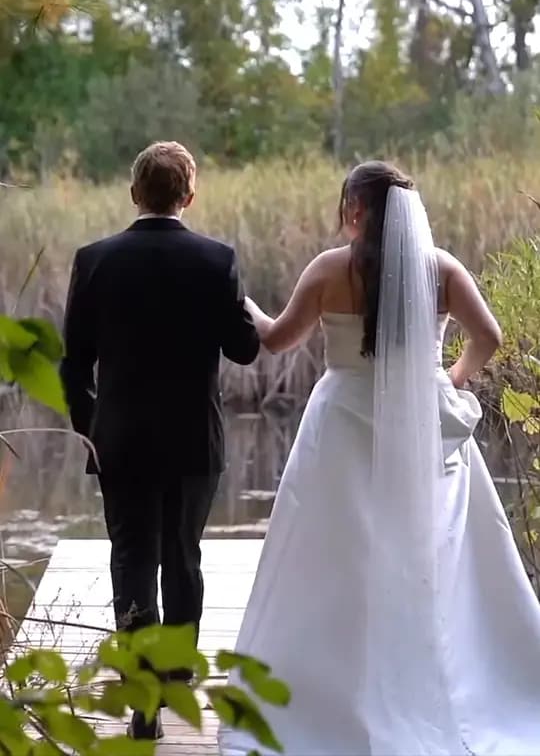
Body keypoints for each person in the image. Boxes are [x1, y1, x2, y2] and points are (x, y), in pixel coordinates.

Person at [219, 161, 540, 756]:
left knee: (337, 554)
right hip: (422, 423)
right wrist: (453, 377)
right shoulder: (440, 268)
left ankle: (330, 691)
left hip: (342, 418)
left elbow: (276, 339)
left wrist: (249, 306)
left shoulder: (327, 270)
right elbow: (488, 336)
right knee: (434, 550)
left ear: (355, 210)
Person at [60, 141, 259, 740]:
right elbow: (245, 349)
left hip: (119, 440)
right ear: (189, 196)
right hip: (195, 441)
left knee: (132, 559)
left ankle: (141, 704)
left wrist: (89, 428)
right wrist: (234, 299)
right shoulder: (215, 259)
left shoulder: (94, 260)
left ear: (133, 193)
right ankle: (176, 677)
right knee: (183, 556)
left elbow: (75, 365)